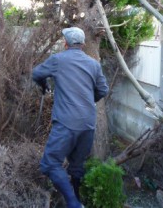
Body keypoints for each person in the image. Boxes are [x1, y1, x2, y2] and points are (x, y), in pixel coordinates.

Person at [32, 27, 109, 208]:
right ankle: (78, 201)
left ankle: (73, 204)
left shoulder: (59, 60)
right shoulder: (94, 64)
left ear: (65, 43)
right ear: (82, 44)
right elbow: (103, 90)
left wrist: (44, 86)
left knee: (50, 164)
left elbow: (36, 74)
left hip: (67, 123)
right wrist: (88, 102)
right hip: (88, 124)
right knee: (76, 167)